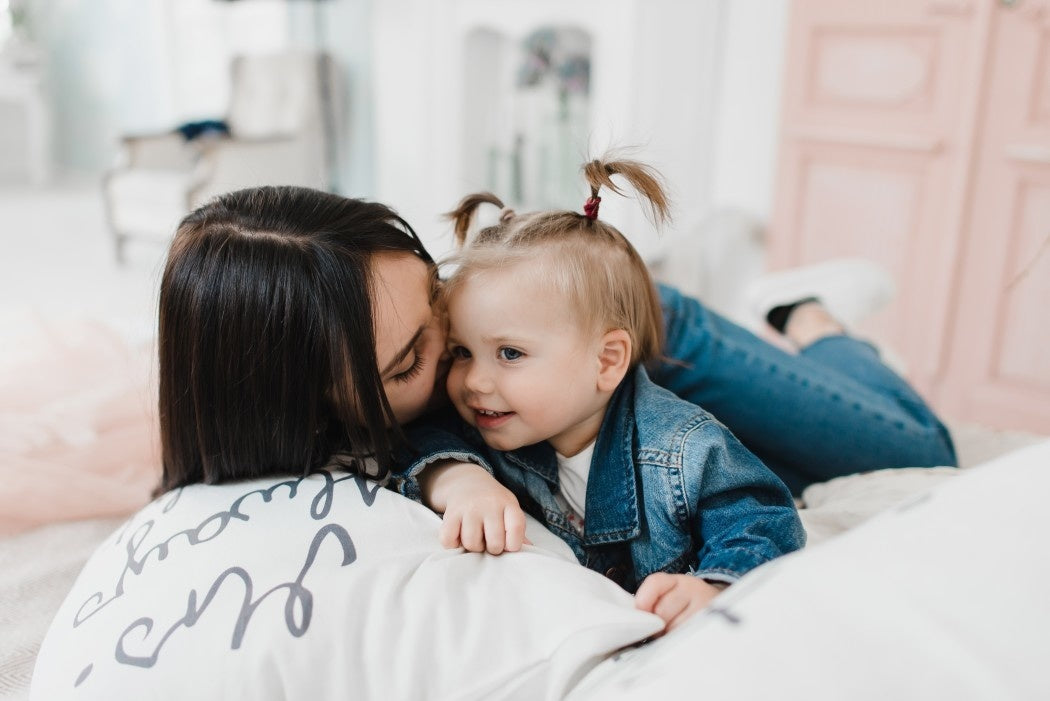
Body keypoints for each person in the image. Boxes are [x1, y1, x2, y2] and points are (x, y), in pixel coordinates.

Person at [402, 158, 805, 632]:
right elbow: (421, 439)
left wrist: (715, 585)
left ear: (607, 361)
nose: (474, 381)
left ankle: (811, 318)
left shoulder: (682, 448)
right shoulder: (492, 419)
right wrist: (459, 478)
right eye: (462, 352)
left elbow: (762, 520)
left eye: (510, 353)